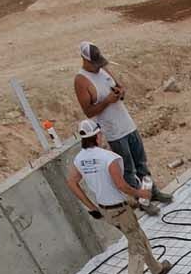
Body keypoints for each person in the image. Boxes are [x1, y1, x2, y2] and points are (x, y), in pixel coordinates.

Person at [66, 118, 173, 274]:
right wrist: (142, 193)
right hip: (120, 208)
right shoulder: (109, 158)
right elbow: (121, 185)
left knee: (137, 237)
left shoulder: (79, 159)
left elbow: (72, 182)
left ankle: (157, 269)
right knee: (137, 246)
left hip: (106, 209)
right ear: (98, 135)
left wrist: (91, 207)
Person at [73, 41, 173, 206]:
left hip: (128, 124)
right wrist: (107, 101)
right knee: (128, 169)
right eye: (95, 64)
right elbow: (88, 112)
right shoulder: (81, 81)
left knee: (141, 163)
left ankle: (152, 192)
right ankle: (142, 201)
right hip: (114, 132)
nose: (98, 67)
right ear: (85, 60)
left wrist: (121, 92)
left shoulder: (103, 69)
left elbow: (120, 87)